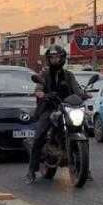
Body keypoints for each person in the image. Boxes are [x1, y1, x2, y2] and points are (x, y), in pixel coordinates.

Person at [25, 45, 85, 184]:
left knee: (82, 127)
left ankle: (84, 169)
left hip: (66, 107)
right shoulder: (44, 75)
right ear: (48, 59)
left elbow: (76, 89)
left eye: (57, 57)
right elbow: (38, 88)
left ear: (62, 58)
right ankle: (31, 170)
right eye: (52, 57)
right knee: (39, 135)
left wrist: (83, 94)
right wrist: (41, 93)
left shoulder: (68, 75)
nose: (55, 60)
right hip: (49, 108)